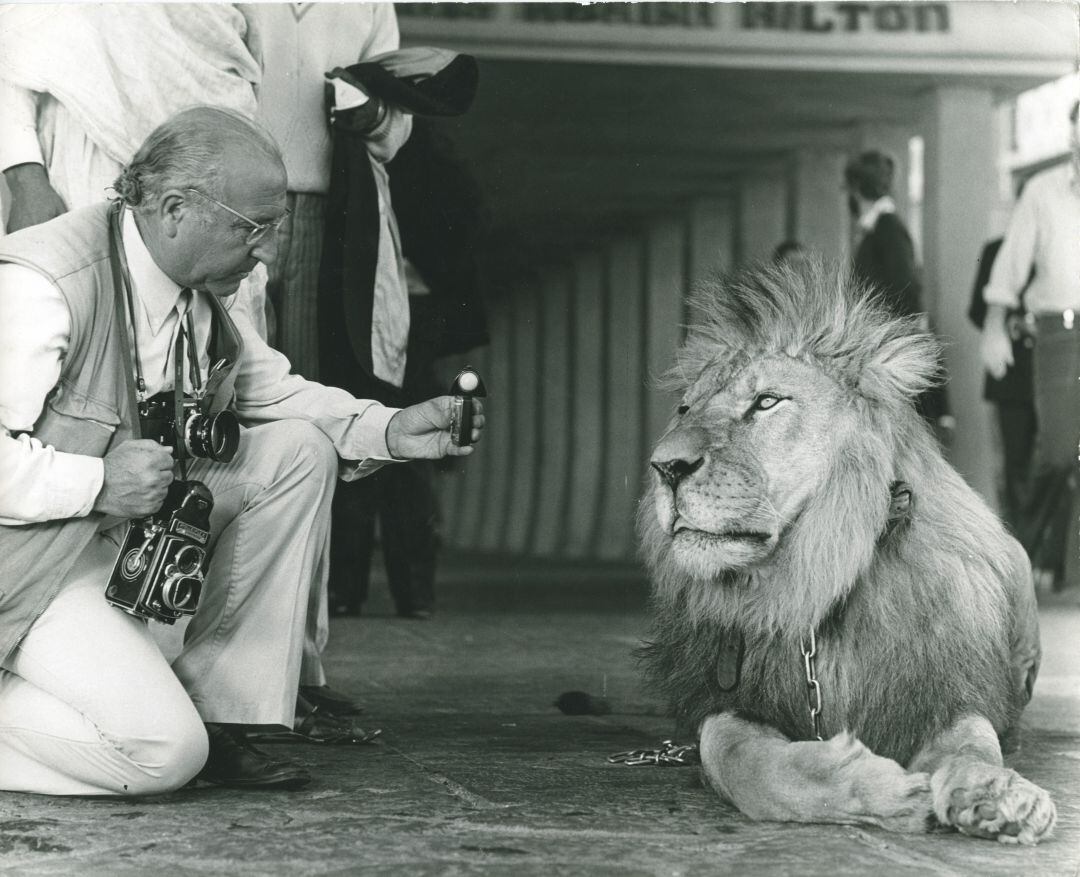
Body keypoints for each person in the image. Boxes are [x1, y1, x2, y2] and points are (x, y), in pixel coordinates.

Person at [0, 107, 484, 796]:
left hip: (105, 543)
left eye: (274, 229)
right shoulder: (45, 284)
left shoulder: (196, 298)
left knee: (295, 451)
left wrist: (389, 428)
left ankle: (221, 714)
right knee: (162, 754)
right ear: (174, 210)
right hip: (29, 565)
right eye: (252, 228)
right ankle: (171, 730)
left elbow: (279, 393)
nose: (267, 253)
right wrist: (97, 483)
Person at [0, 3, 273, 339]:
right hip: (87, 143)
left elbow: (242, 44)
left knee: (215, 328)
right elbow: (12, 46)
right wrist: (25, 177)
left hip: (208, 141)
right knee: (87, 319)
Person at [330, 119, 491, 619]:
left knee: (363, 451)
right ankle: (411, 594)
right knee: (402, 464)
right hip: (413, 310)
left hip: (392, 310)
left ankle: (347, 591)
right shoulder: (431, 161)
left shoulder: (373, 159)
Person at [980, 100, 1080, 592]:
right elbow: (1010, 267)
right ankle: (1024, 551)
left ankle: (1068, 569)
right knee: (1061, 453)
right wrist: (996, 325)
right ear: (1072, 136)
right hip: (1059, 334)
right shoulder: (1043, 192)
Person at [844, 149, 953, 441]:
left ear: (855, 189)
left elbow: (905, 288)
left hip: (891, 348)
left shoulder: (887, 228)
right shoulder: (879, 228)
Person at [967, 237, 1036, 534]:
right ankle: (1020, 549)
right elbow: (976, 309)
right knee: (1011, 470)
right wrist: (1009, 323)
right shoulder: (995, 251)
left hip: (1047, 371)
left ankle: (1043, 555)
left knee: (1045, 467)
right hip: (1009, 376)